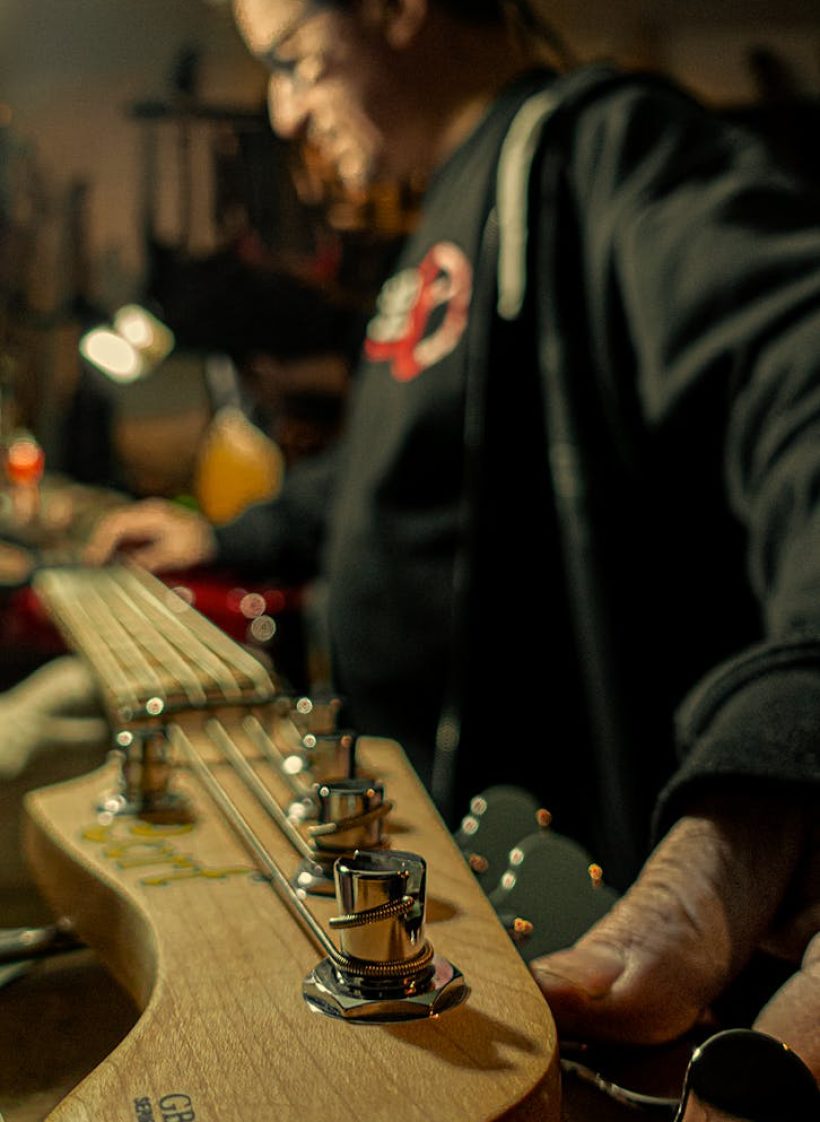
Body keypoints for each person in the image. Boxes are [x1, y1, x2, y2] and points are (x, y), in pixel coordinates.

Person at [82, 0, 820, 1083]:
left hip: (575, 893)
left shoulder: (598, 145)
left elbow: (797, 366)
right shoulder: (440, 221)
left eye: (291, 59)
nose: (283, 110)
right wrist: (225, 530)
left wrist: (791, 727)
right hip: (419, 841)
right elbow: (386, 464)